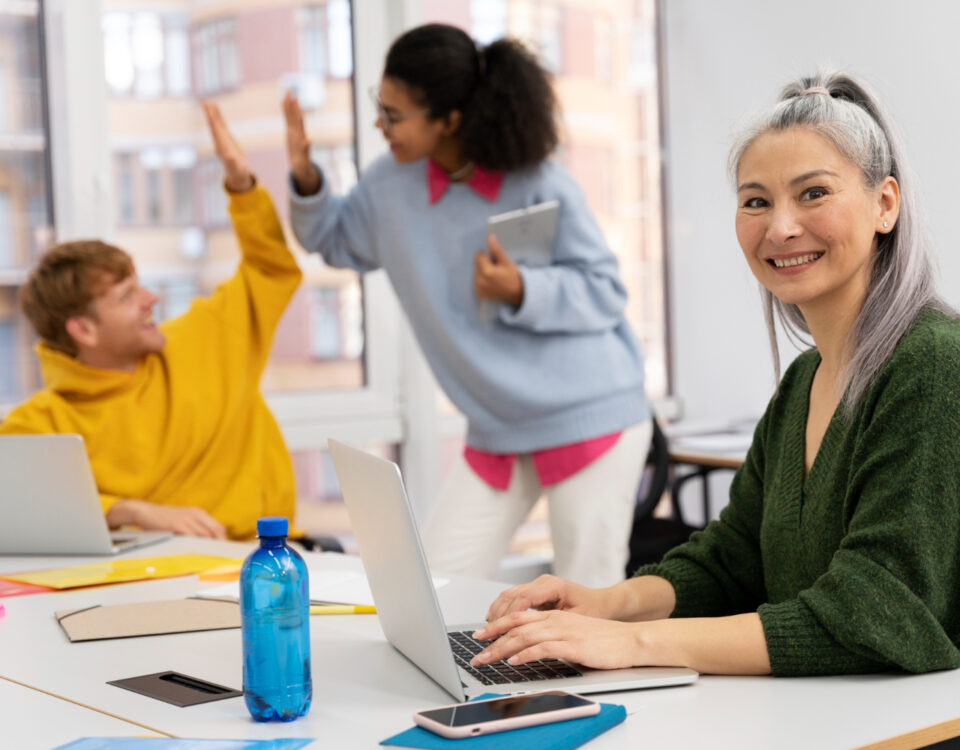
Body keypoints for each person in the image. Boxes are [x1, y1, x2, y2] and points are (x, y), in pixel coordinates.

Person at [468, 72, 960, 677]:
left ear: (885, 204)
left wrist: (634, 645)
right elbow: (731, 560)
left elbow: (874, 611)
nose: (779, 227)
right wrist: (605, 605)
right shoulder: (804, 382)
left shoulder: (934, 364)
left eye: (812, 193)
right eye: (756, 201)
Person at [283, 23, 652, 588]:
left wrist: (522, 290)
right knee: (424, 590)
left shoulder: (536, 179)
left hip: (590, 418)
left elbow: (604, 291)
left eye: (395, 114)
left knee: (588, 600)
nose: (380, 125)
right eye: (378, 107)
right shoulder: (388, 185)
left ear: (449, 119)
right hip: (499, 428)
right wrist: (307, 179)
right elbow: (335, 240)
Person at [0, 103, 303, 541]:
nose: (152, 299)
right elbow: (14, 503)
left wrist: (241, 187)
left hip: (257, 560)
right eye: (128, 296)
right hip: (143, 581)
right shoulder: (42, 425)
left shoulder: (205, 337)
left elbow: (271, 270)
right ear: (83, 330)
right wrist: (128, 510)